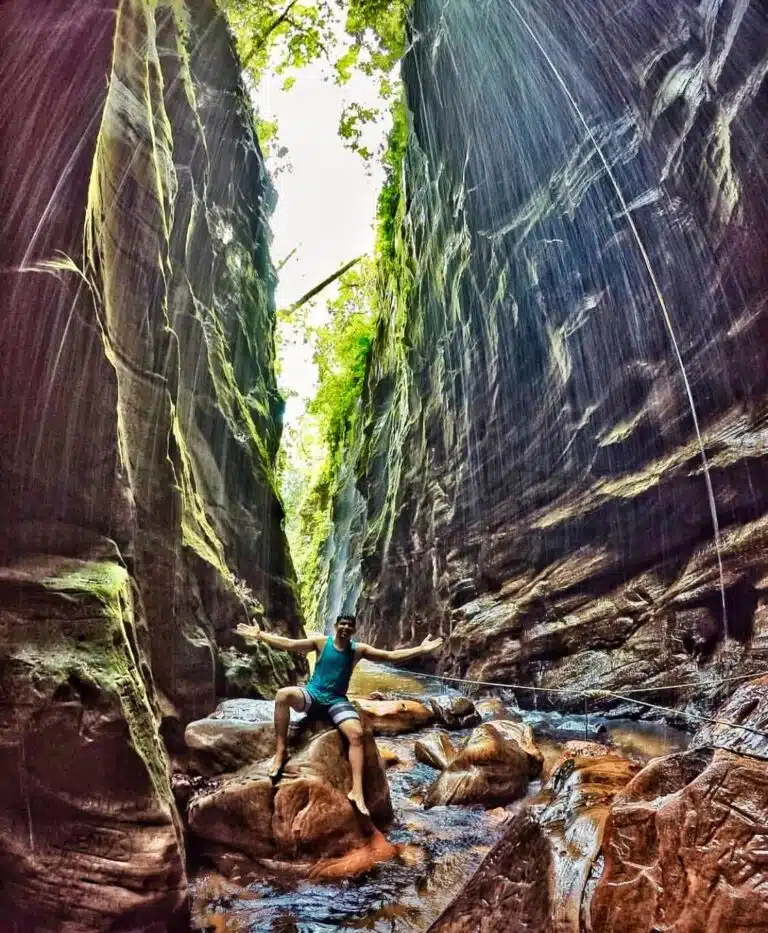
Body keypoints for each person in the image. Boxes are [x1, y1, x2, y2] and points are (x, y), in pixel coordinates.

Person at [236, 613, 443, 816]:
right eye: (342, 624)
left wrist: (420, 649)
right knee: (283, 695)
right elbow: (289, 644)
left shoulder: (357, 650)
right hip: (313, 694)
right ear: (336, 626)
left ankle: (357, 791)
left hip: (336, 701)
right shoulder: (320, 642)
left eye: (349, 626)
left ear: (353, 630)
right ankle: (281, 752)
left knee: (357, 735)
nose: (345, 628)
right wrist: (260, 635)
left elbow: (389, 656)